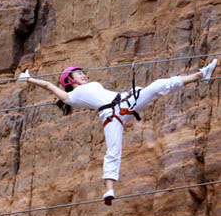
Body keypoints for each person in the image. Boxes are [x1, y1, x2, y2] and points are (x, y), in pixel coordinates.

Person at [20, 58, 217, 204]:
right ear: (69, 81)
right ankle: (109, 190)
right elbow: (47, 85)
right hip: (111, 116)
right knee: (113, 151)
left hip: (124, 103)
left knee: (157, 85)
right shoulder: (70, 97)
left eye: (82, 72)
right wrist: (29, 79)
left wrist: (130, 93)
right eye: (78, 73)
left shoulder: (92, 85)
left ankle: (200, 75)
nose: (83, 74)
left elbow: (110, 95)